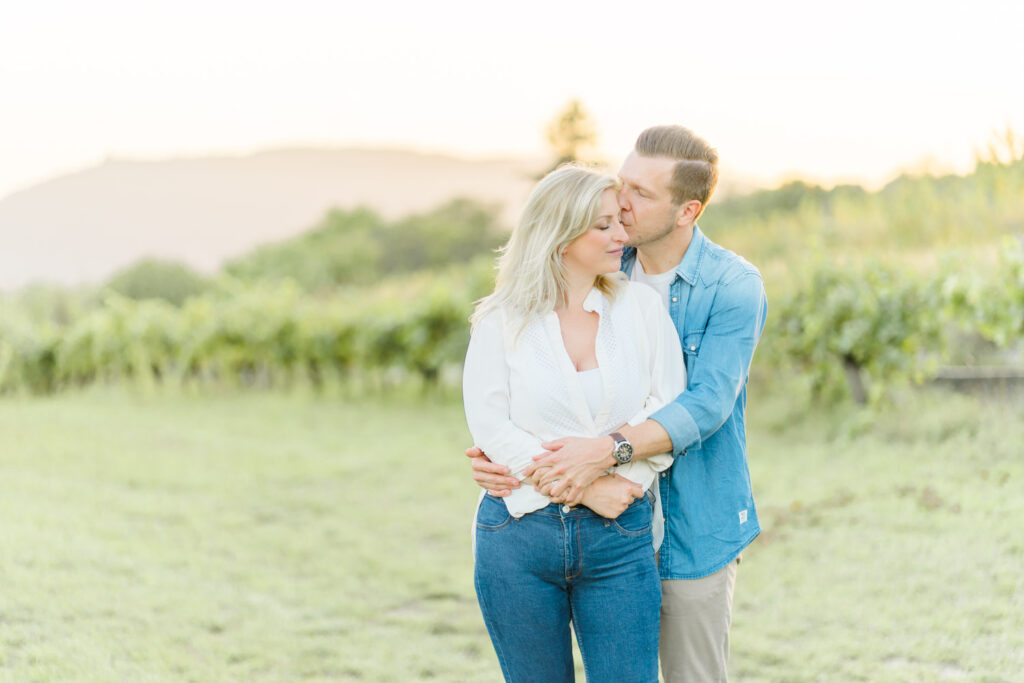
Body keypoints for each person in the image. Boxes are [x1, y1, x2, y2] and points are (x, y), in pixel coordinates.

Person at [468, 125, 768, 682]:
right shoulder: (602, 262)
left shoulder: (731, 285)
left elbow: (706, 404)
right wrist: (514, 457)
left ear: (687, 210)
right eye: (623, 183)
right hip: (585, 519)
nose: (621, 202)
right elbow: (526, 396)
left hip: (689, 517)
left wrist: (603, 456)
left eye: (642, 194)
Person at [463, 164, 687, 682]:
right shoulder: (501, 320)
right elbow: (492, 427)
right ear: (561, 236)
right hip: (518, 533)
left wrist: (622, 484)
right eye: (603, 225)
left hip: (620, 535)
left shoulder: (641, 309)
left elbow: (667, 407)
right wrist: (588, 489)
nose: (621, 235)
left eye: (619, 221)